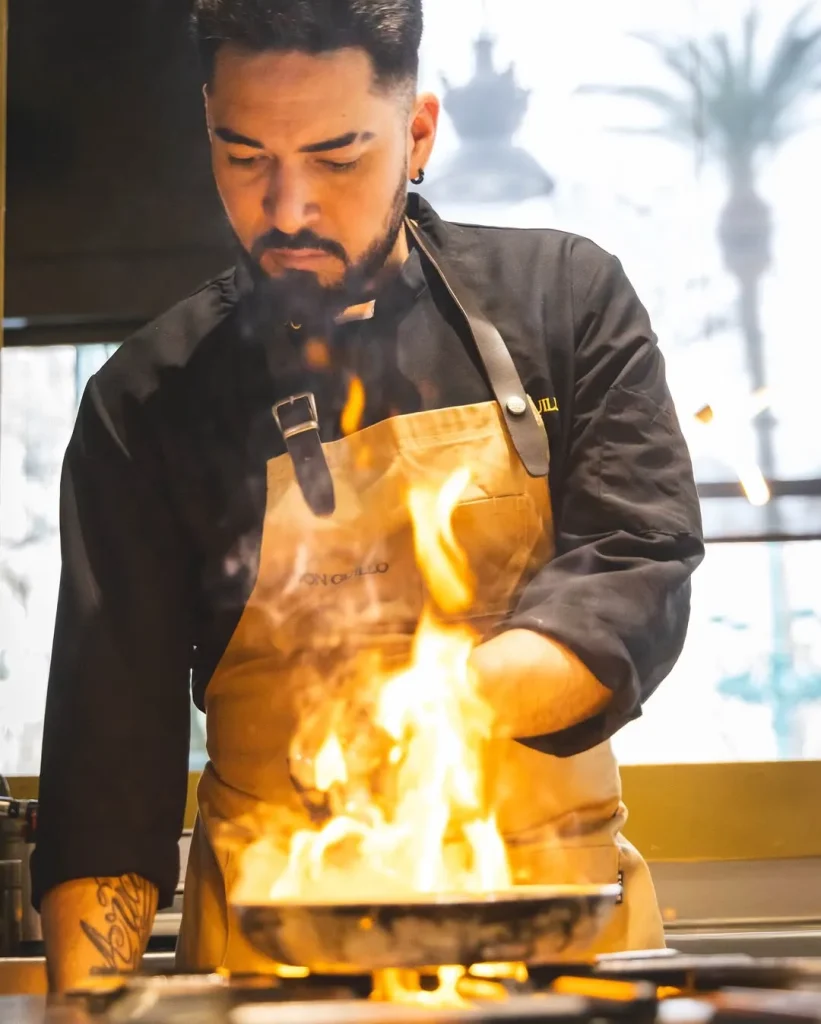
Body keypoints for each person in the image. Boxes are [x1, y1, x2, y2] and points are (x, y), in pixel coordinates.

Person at [31, 0, 704, 993]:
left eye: (337, 158)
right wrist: (85, 1013)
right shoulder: (148, 400)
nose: (288, 205)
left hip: (558, 957)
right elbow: (106, 776)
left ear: (417, 133)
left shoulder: (564, 301)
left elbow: (637, 558)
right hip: (275, 974)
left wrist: (448, 700)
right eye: (244, 156)